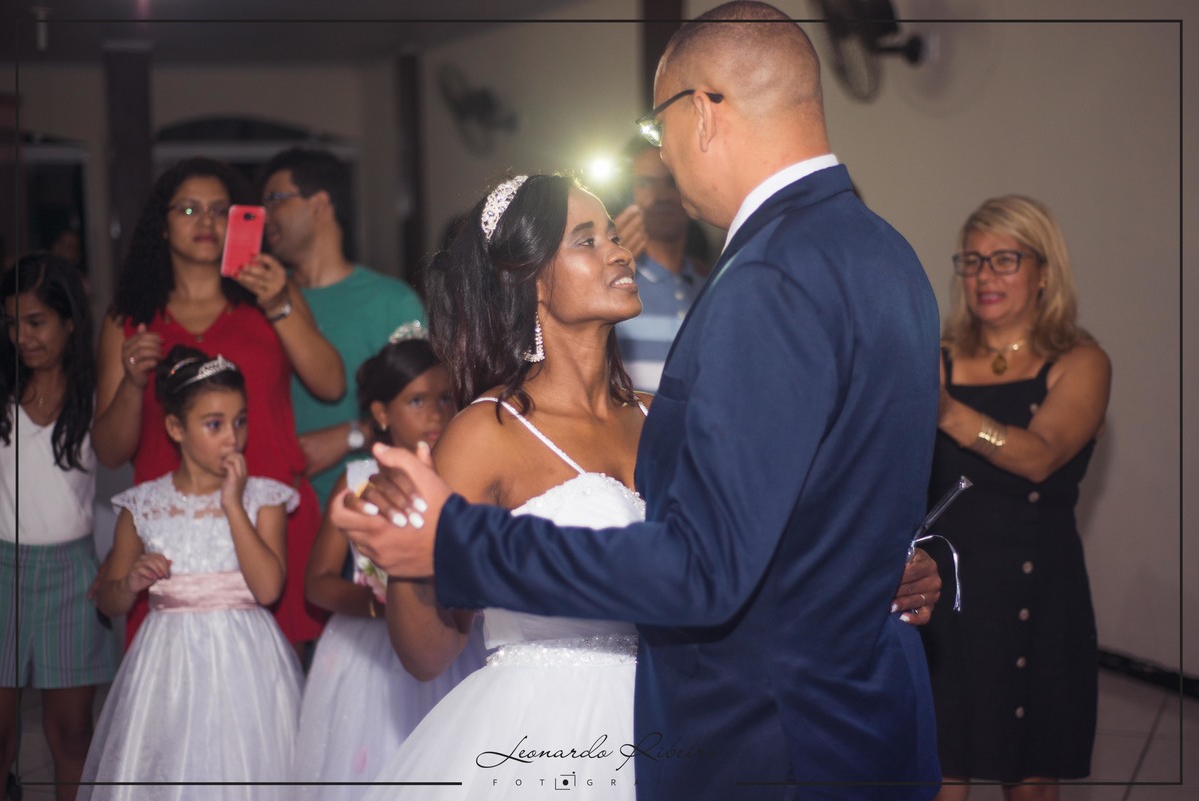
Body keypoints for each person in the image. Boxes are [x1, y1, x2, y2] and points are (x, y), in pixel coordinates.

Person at [337, 3, 944, 799]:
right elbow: (810, 499)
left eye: (660, 127)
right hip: (596, 738)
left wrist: (461, 541)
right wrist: (412, 552)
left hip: (769, 736)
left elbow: (709, 563)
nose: (620, 246)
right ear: (530, 280)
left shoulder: (762, 283)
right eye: (586, 238)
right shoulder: (891, 255)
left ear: (703, 112)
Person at [92, 156, 343, 651]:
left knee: (276, 682)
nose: (206, 221)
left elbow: (331, 384)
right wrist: (133, 384)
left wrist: (279, 305)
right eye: (188, 210)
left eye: (220, 210)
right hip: (174, 529)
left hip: (267, 515)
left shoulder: (272, 296)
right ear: (162, 226)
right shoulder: (130, 319)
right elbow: (110, 451)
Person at [921, 196, 1110, 801]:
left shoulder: (1080, 361)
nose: (984, 276)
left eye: (1004, 259)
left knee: (1028, 776)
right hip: (944, 594)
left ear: (1044, 271)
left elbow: (1041, 456)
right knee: (939, 770)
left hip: (1036, 593)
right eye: (972, 260)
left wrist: (947, 412)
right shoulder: (936, 357)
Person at [79, 346, 302, 800]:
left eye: (240, 421)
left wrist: (233, 505)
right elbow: (108, 601)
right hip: (168, 665)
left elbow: (268, 589)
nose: (232, 438)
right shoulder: (143, 505)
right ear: (176, 428)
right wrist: (131, 583)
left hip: (248, 664)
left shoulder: (264, 499)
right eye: (214, 424)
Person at [292, 329, 486, 799]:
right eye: (416, 401)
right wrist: (381, 604)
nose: (436, 413)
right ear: (381, 413)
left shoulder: (465, 480)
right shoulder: (359, 482)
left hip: (452, 643)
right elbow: (318, 583)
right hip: (368, 655)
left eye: (445, 398)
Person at [0, 254, 118, 801]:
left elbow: (131, 478)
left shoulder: (96, 400)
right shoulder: (3, 394)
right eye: (11, 323)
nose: (22, 337)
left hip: (72, 574)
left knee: (71, 733)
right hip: (2, 569)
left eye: (35, 322)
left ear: (69, 322)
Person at [258, 148, 426, 511]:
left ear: (319, 204)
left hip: (367, 501)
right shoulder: (262, 298)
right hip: (272, 507)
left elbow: (427, 410)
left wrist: (354, 434)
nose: (263, 215)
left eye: (275, 200)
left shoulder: (391, 302)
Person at [613, 138, 708, 391]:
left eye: (671, 182)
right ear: (626, 194)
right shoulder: (612, 286)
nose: (661, 196)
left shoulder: (714, 285)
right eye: (645, 183)